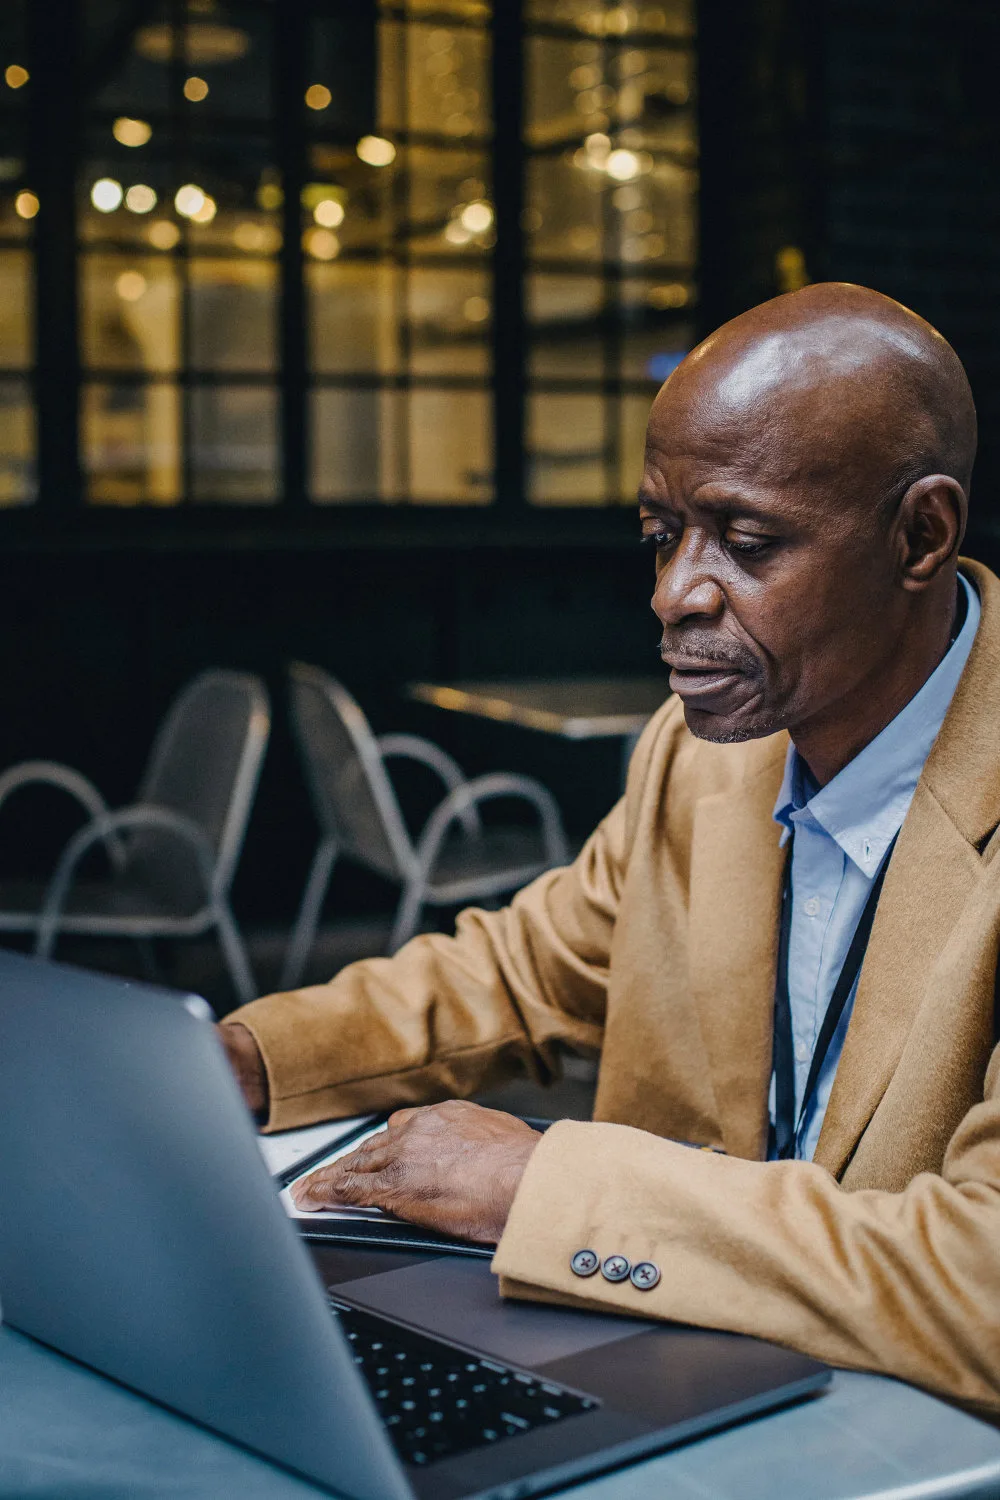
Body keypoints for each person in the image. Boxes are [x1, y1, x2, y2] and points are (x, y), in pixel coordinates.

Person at [222, 282, 1000, 1415]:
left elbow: (980, 1283)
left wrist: (545, 1185)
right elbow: (520, 973)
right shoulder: (701, 759)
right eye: (659, 533)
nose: (672, 593)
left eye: (743, 541)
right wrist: (245, 1064)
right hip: (686, 1377)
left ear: (919, 535)